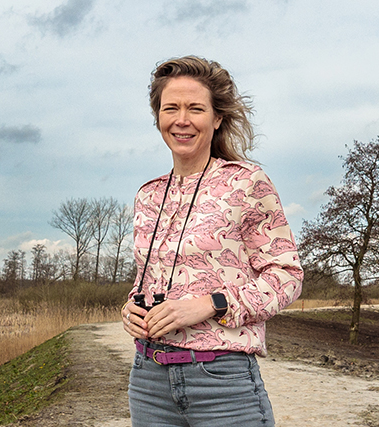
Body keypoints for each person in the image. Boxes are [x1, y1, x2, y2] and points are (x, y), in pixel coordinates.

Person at [123, 55, 302, 426]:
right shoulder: (148, 195)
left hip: (222, 384)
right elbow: (151, 278)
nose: (182, 119)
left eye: (195, 108)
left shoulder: (247, 183)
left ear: (217, 118)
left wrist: (211, 303)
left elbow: (286, 276)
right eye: (170, 108)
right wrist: (131, 308)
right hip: (148, 382)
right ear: (158, 117)